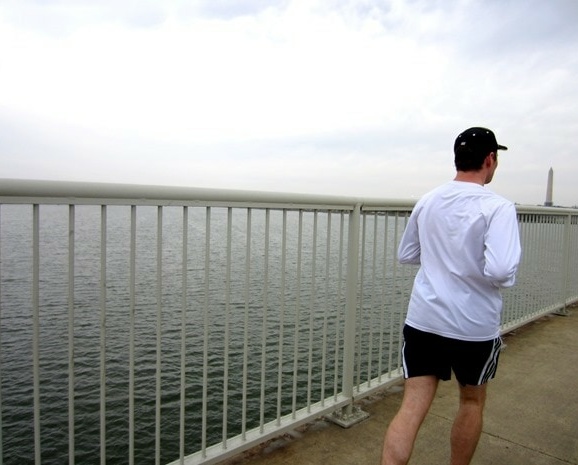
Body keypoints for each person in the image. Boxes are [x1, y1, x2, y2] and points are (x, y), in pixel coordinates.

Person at [380, 127, 521, 465]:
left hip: (425, 320)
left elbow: (406, 254)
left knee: (411, 406)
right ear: (490, 160)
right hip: (473, 326)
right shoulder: (498, 207)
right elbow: (501, 270)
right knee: (471, 401)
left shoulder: (429, 200)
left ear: (458, 159)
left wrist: (440, 259)